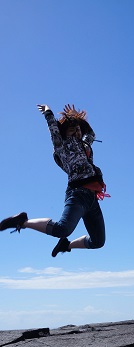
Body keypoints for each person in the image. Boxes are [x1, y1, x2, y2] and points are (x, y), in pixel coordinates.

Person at [0, 104, 109, 257]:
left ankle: (67, 245)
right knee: (62, 229)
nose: (77, 132)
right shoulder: (61, 145)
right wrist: (48, 113)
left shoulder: (85, 146)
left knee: (98, 242)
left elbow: (91, 133)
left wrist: (77, 120)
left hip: (92, 200)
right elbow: (54, 130)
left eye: (78, 129)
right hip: (78, 193)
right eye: (72, 130)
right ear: (64, 132)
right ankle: (23, 221)